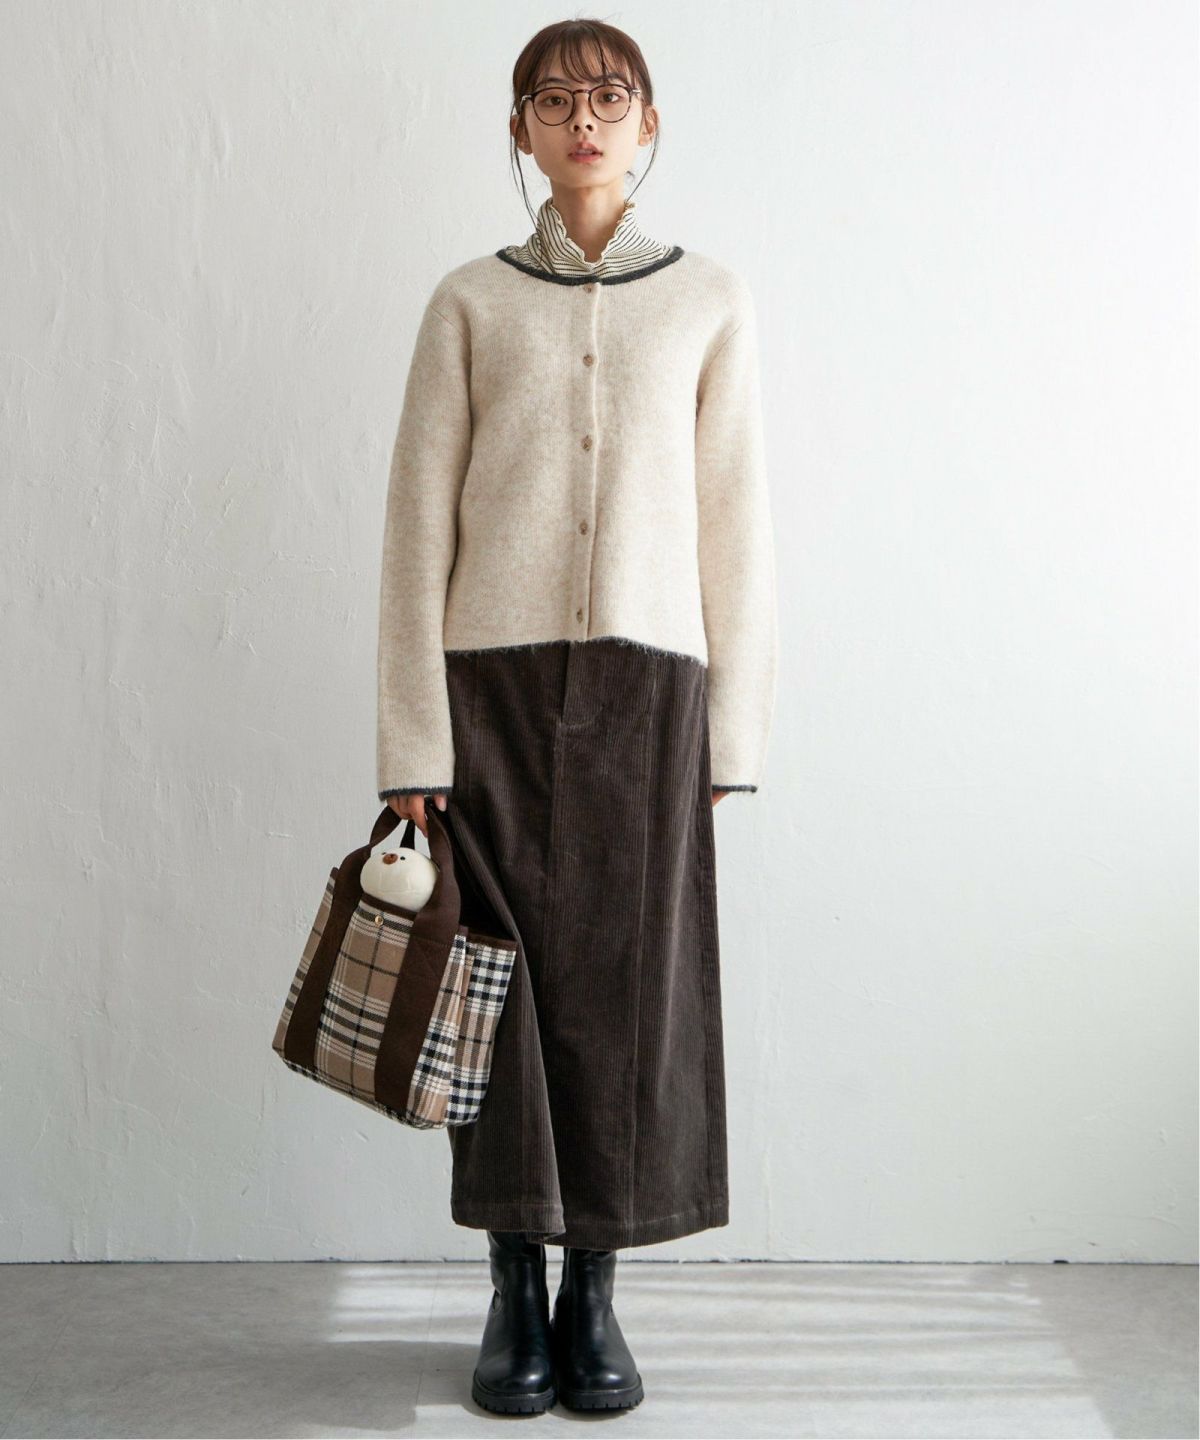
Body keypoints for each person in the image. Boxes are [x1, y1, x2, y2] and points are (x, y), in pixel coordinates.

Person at [376, 17, 778, 1416]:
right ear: (520, 130)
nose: (583, 120)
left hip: (651, 691)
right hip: (486, 688)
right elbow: (414, 529)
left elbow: (737, 526)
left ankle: (592, 1293)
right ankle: (511, 1288)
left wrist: (733, 734)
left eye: (610, 96)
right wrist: (412, 740)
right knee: (492, 998)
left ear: (649, 123)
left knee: (622, 996)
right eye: (554, 100)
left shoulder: (708, 299)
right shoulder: (467, 303)